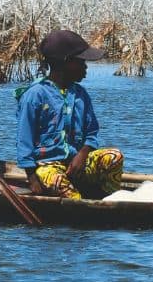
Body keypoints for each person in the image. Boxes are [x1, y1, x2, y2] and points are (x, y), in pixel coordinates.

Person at [16, 28, 124, 200]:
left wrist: (83, 154)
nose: (85, 67)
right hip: (47, 167)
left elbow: (92, 132)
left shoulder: (80, 94)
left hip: (76, 163)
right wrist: (32, 178)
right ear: (66, 63)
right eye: (81, 62)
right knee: (61, 185)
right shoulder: (35, 95)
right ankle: (79, 201)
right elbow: (24, 140)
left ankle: (106, 199)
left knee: (114, 156)